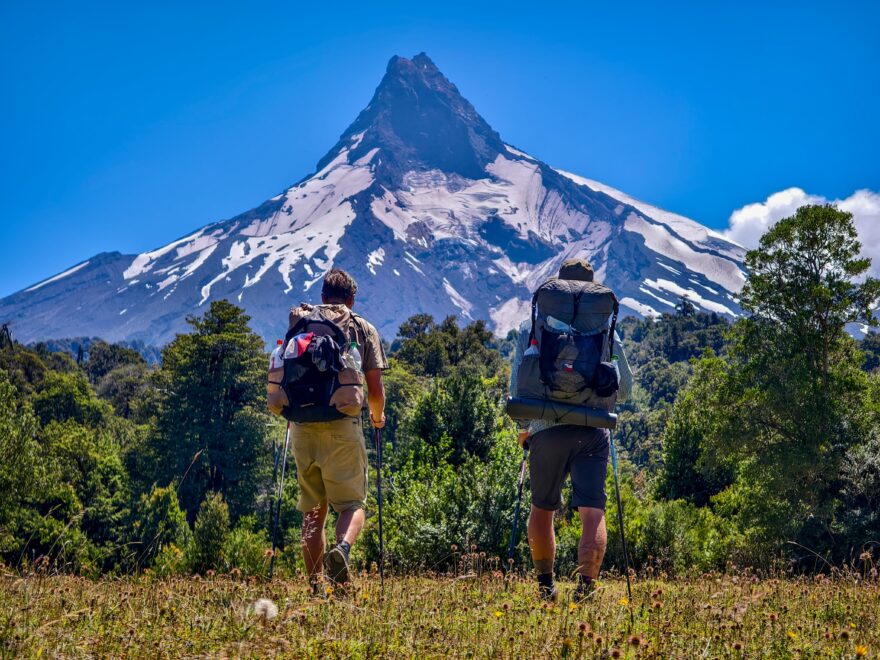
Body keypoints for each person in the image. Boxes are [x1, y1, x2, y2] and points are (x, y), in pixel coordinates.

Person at [509, 257, 633, 602]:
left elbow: (518, 382)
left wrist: (524, 427)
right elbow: (624, 389)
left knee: (542, 508)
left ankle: (546, 588)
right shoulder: (606, 330)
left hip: (545, 426)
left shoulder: (533, 326)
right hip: (593, 429)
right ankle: (585, 589)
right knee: (593, 512)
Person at [290, 268, 387, 594]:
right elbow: (374, 389)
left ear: (322, 297)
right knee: (351, 504)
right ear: (351, 299)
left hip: (302, 427)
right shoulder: (361, 327)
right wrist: (377, 418)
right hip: (343, 427)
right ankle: (341, 550)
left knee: (312, 511)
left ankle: (315, 587)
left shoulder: (302, 325)